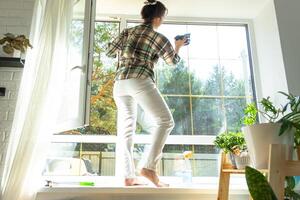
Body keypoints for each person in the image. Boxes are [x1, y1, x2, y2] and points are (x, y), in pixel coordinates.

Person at [106, 0, 186, 187]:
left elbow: (110, 51)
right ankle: (149, 168)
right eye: (163, 18)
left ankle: (128, 176)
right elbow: (172, 62)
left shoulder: (128, 32)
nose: (162, 21)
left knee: (126, 130)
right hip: (139, 80)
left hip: (120, 83)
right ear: (157, 18)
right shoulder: (158, 37)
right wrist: (178, 46)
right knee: (166, 121)